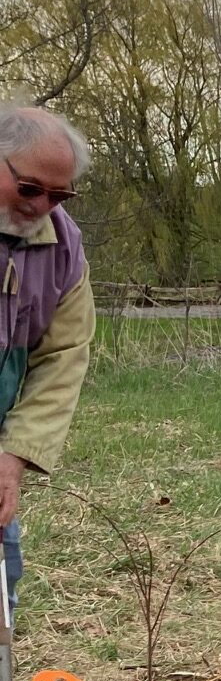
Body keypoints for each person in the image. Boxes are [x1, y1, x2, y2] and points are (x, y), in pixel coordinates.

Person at [0, 105, 95, 624]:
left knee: (1, 599)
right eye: (30, 189)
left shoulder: (64, 247)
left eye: (60, 196)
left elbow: (63, 356)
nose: (43, 207)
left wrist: (14, 455)